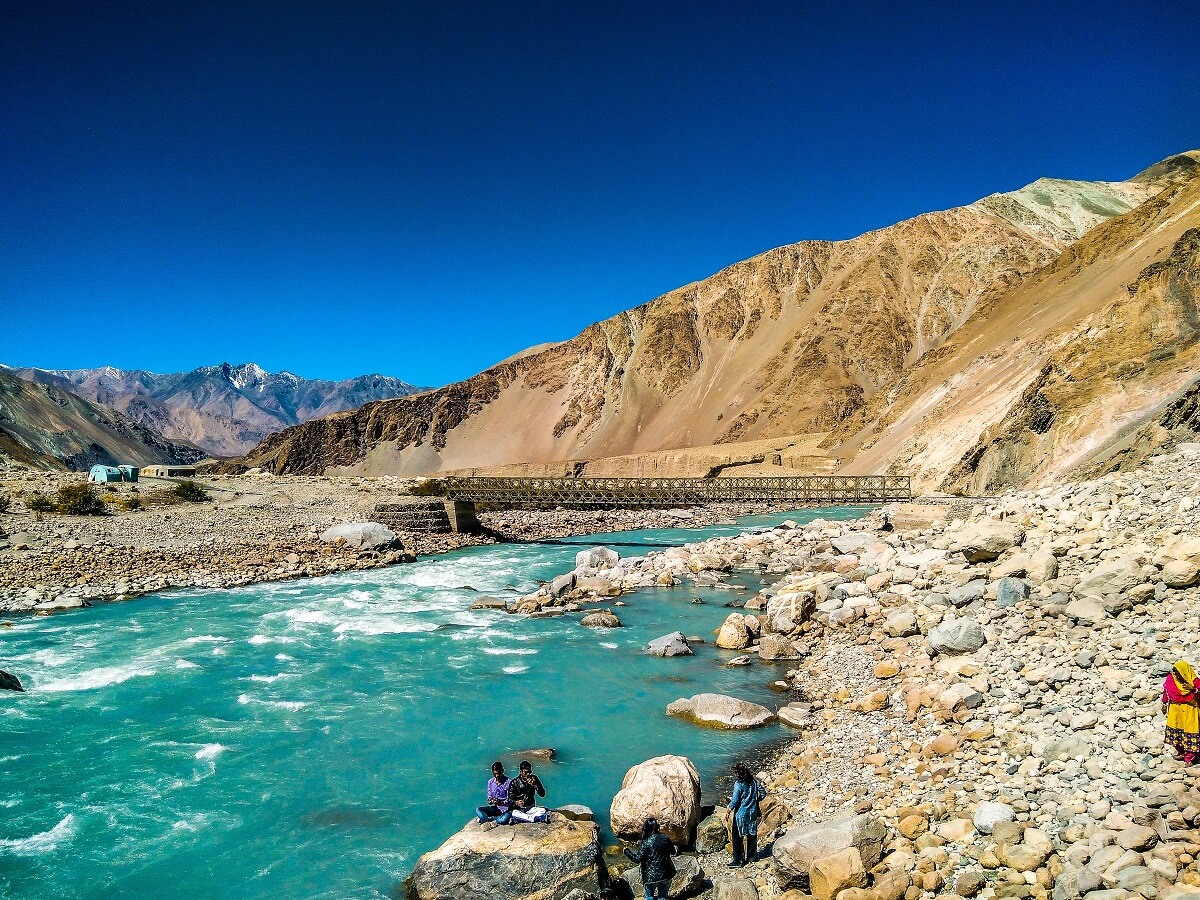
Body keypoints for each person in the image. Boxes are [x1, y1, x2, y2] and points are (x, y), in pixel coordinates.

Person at [623, 817, 676, 900]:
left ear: (645, 829)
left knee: (649, 897)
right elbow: (673, 852)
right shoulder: (665, 838)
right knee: (663, 897)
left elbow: (637, 859)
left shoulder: (646, 842)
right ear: (657, 827)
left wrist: (627, 851)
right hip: (667, 873)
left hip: (651, 877)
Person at [728, 762, 765, 866]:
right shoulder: (754, 782)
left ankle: (738, 860)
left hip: (740, 814)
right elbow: (763, 793)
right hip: (752, 812)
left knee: (737, 836)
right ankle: (752, 856)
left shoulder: (738, 784)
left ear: (738, 774)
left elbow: (735, 801)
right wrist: (756, 800)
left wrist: (728, 810)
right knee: (752, 834)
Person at [1163, 660, 1200, 764]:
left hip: (1190, 709)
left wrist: (1193, 690)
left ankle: (1190, 757)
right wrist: (1164, 703)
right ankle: (1181, 752)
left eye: (1178, 674)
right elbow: (1166, 690)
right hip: (1175, 709)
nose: (1176, 676)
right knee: (1176, 731)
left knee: (1190, 731)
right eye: (1174, 673)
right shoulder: (1171, 678)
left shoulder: (1193, 680)